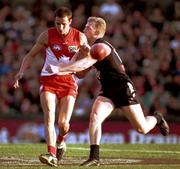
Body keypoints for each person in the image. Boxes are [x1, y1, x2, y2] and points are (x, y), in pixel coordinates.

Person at [49, 16, 170, 167]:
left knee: (142, 128)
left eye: (89, 27)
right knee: (95, 116)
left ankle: (157, 118)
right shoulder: (91, 48)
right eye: (86, 25)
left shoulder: (101, 46)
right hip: (107, 90)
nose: (85, 28)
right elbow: (81, 73)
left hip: (122, 88)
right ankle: (94, 157)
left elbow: (83, 65)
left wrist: (61, 69)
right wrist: (80, 54)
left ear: (97, 32)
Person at [13, 6, 87, 167]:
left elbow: (85, 65)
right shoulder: (46, 35)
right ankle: (51, 153)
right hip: (48, 80)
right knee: (49, 116)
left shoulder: (80, 38)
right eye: (57, 23)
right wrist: (21, 72)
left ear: (71, 22)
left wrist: (85, 59)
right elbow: (30, 55)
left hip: (69, 82)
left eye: (63, 24)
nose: (60, 27)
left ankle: (61, 142)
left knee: (63, 124)